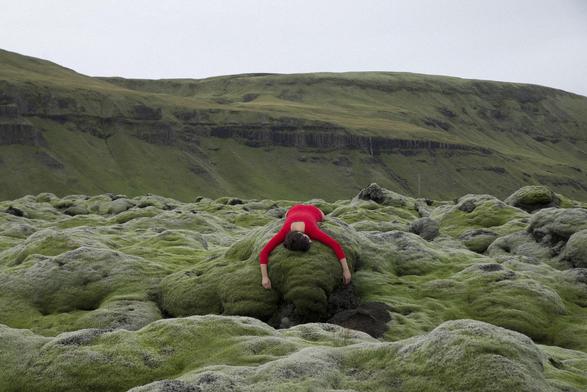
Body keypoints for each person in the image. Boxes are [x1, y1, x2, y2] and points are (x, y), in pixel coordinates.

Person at [259, 203, 351, 289]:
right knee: (287, 214)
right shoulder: (284, 232)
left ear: (303, 234)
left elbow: (335, 245)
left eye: (308, 239)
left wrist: (346, 270)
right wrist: (265, 278)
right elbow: (264, 253)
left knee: (323, 217)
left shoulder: (312, 230)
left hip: (313, 210)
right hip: (293, 209)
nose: (311, 240)